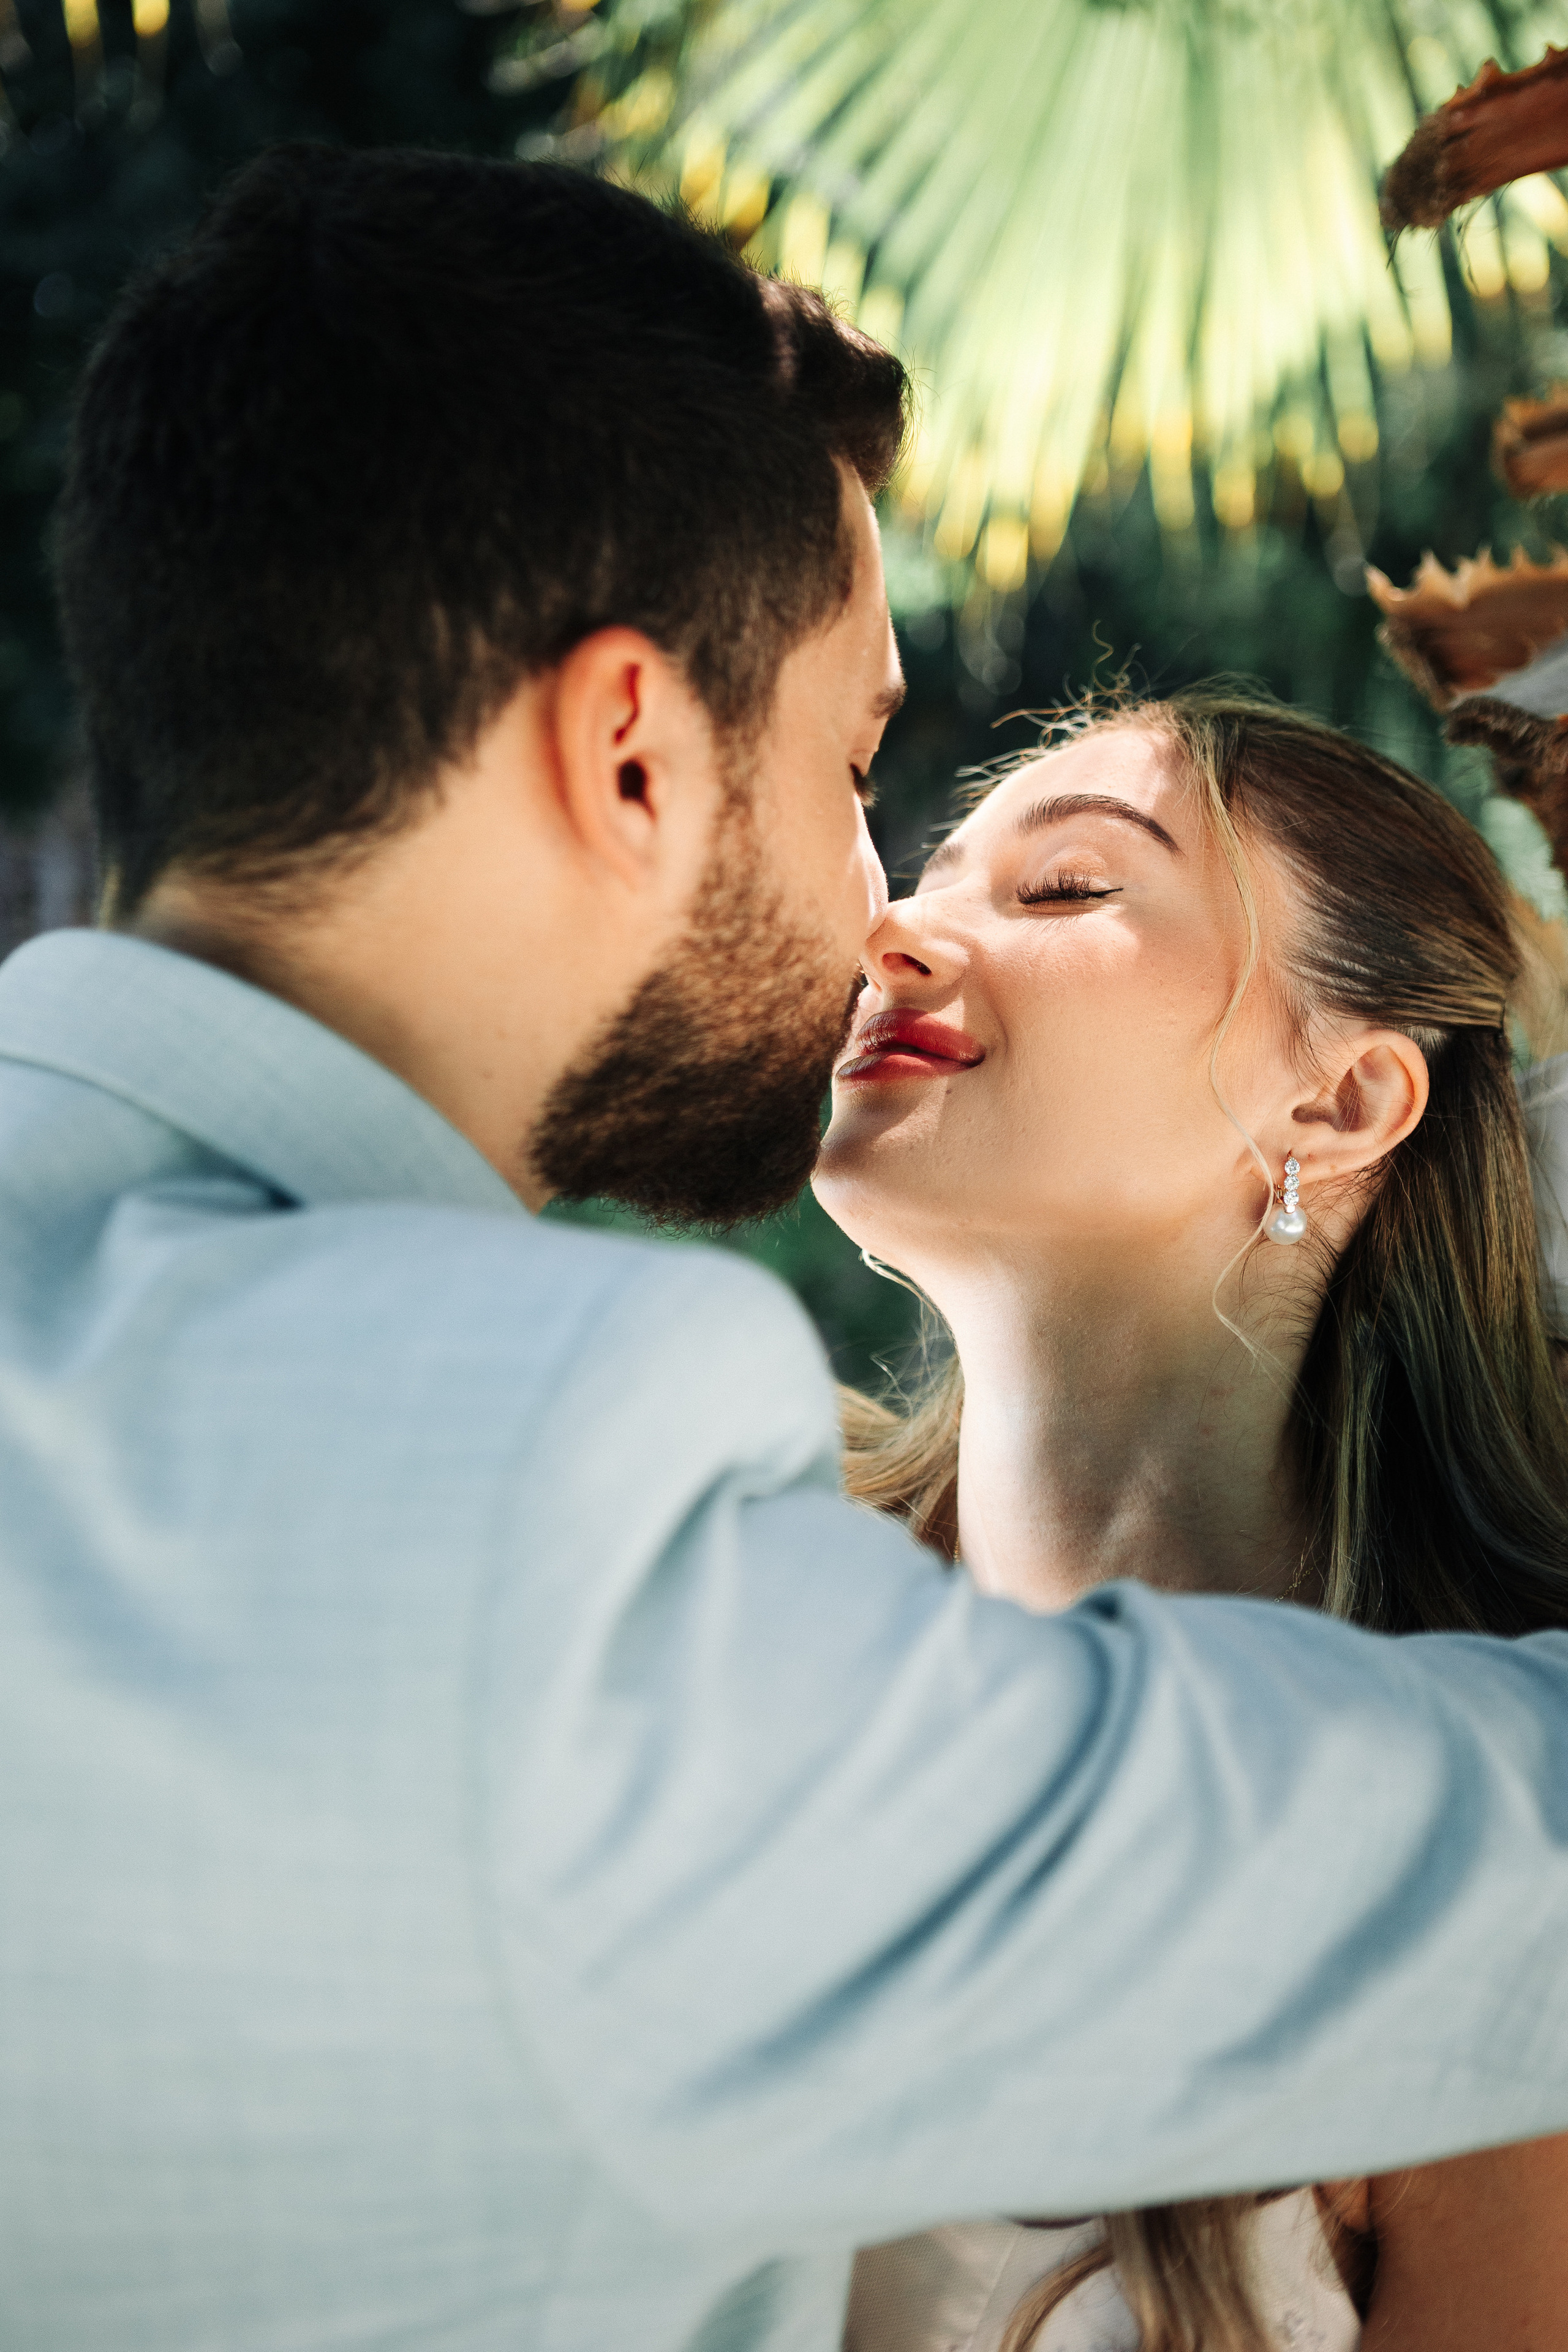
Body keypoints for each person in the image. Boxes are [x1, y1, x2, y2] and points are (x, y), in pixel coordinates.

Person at [7, 141, 1568, 2352]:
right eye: (855, 773)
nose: (881, 909)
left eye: (1058, 882)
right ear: (631, 754)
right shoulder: (550, 1497)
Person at [818, 692, 1568, 2351]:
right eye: (929, 875)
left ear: (1345, 1103)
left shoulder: (1494, 1866)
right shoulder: (746, 1647)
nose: (896, 933)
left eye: (1068, 888)